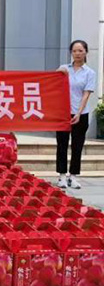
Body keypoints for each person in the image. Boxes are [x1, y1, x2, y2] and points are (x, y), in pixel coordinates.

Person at [55, 40, 96, 189]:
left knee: (77, 146)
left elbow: (86, 94)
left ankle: (73, 176)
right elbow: (52, 83)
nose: (77, 54)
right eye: (74, 51)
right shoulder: (64, 69)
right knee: (62, 144)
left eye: (80, 51)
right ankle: (61, 176)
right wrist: (59, 73)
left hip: (81, 114)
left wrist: (78, 113)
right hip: (63, 113)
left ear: (86, 52)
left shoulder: (89, 73)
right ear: (71, 53)